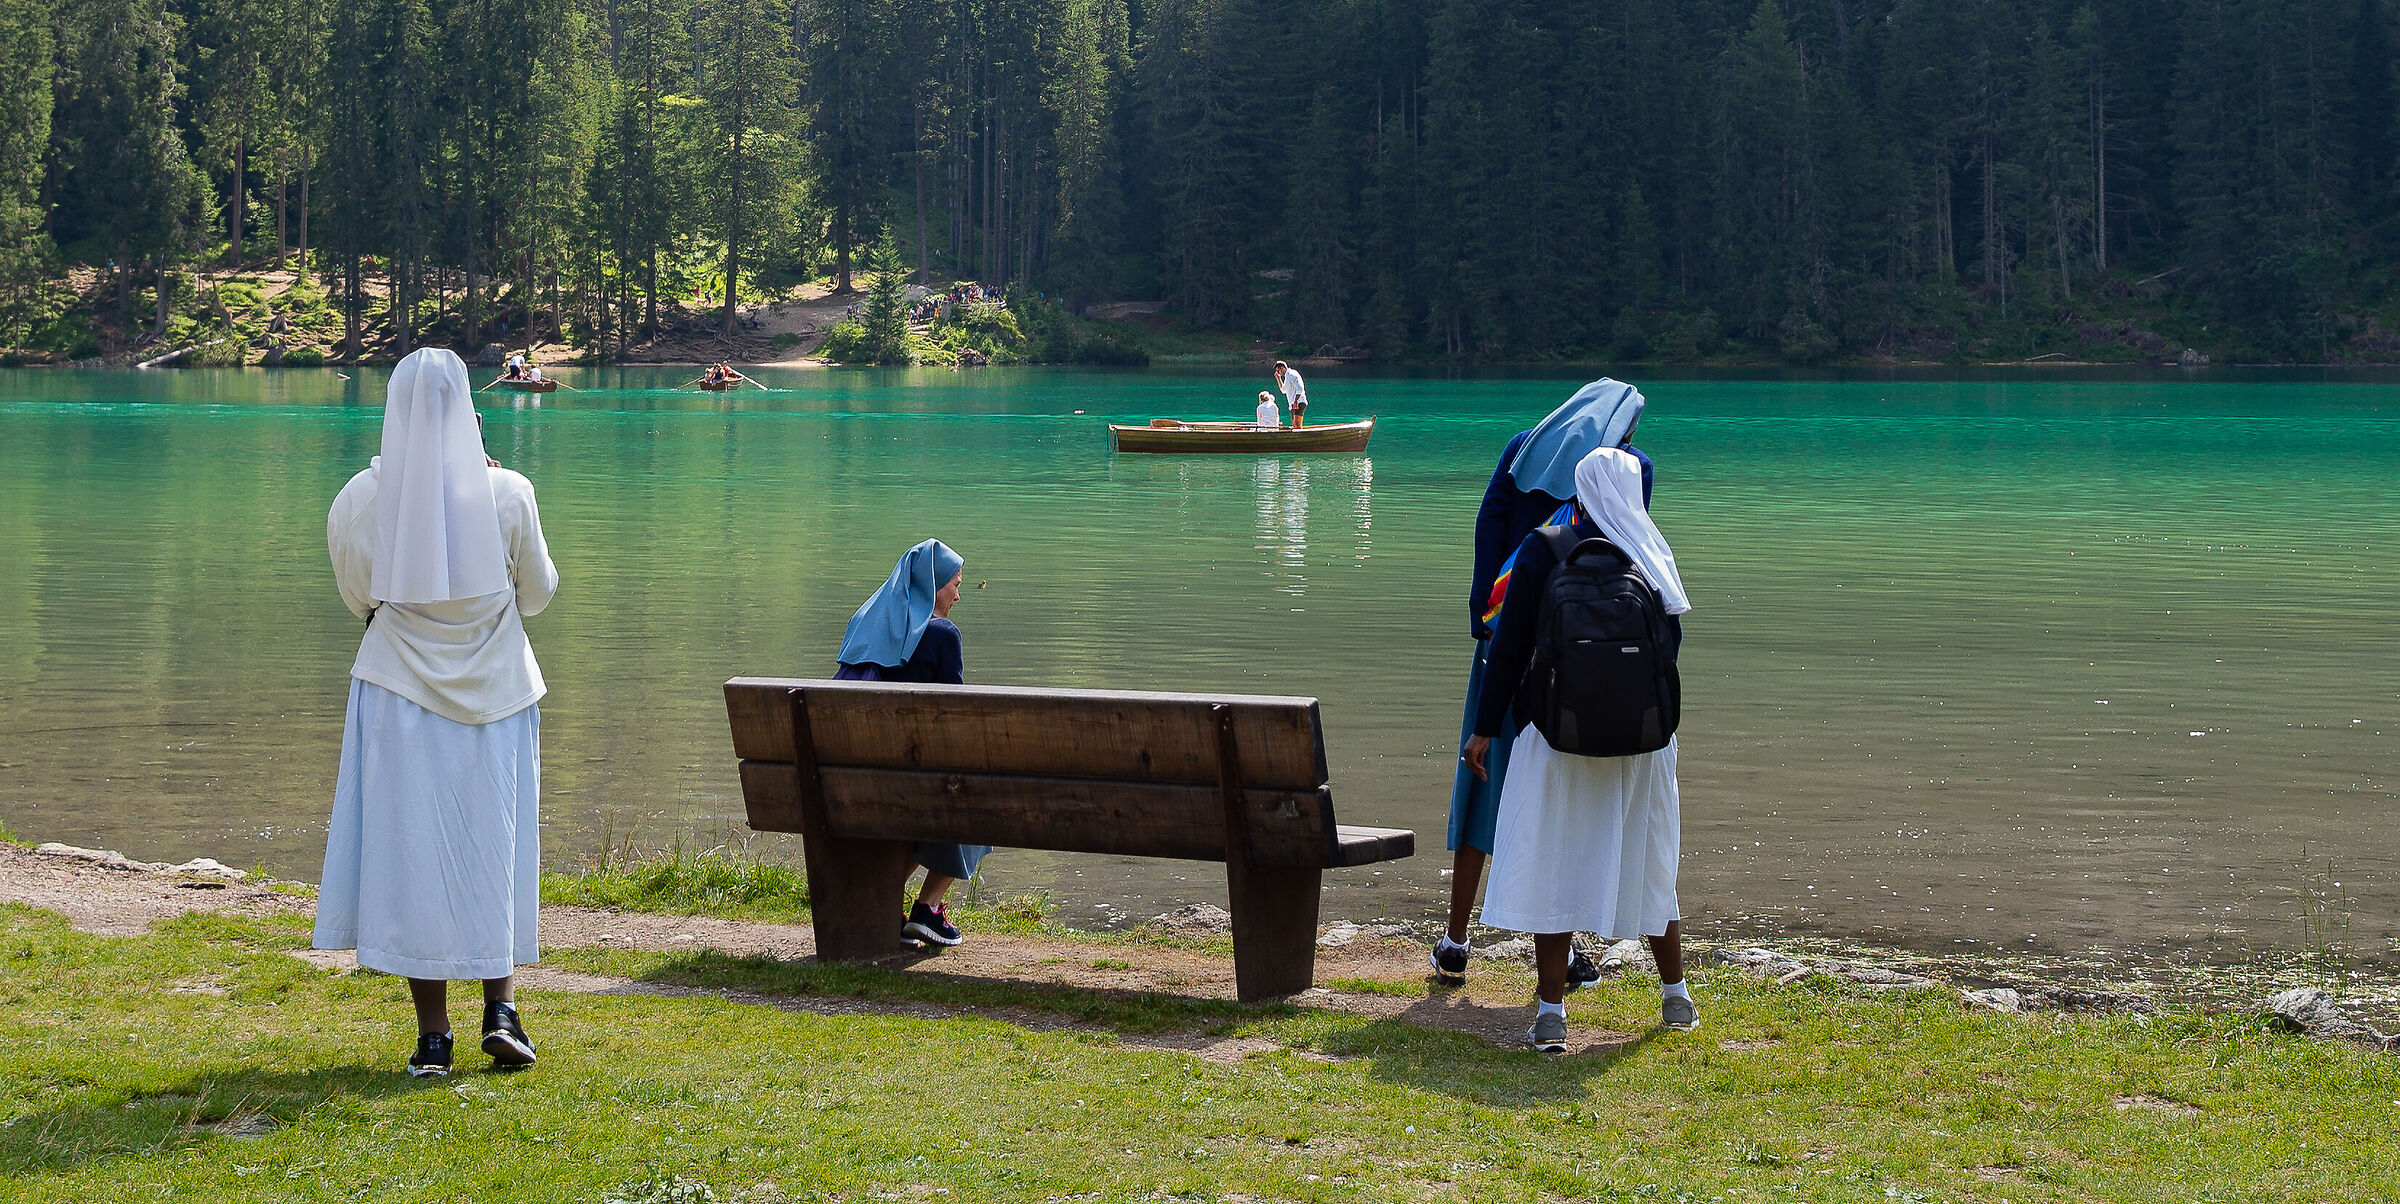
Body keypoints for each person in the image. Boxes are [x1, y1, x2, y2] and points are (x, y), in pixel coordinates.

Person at [315, 347, 560, 1078]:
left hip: (400, 695)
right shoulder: (508, 492)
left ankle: (432, 1037)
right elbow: (538, 594)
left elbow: (358, 598)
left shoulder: (361, 499)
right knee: (495, 845)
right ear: (470, 413)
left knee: (414, 855)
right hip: (496, 695)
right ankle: (502, 1011)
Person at [1464, 446, 1692, 1051]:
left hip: (1556, 737)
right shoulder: (1650, 550)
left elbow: (1510, 647)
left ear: (1581, 490)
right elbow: (1668, 652)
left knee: (1554, 864)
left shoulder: (1543, 547)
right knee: (1649, 860)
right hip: (1642, 744)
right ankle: (1675, 997)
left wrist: (1485, 728)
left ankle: (1550, 1016)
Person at [1434, 379, 1651, 988]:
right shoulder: (1628, 467)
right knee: (1558, 794)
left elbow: (1487, 528)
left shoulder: (1521, 449)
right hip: (1573, 657)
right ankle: (1565, 955)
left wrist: (1484, 619)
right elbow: (1627, 547)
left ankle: (1455, 940)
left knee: (1481, 789)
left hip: (1501, 643)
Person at [833, 539, 985, 948]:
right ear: (933, 586)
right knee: (979, 793)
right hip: (918, 785)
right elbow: (955, 717)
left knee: (923, 793)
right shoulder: (941, 635)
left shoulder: (866, 629)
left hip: (855, 783)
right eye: (955, 585)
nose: (957, 596)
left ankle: (876, 897)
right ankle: (928, 908)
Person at [1272, 361, 1307, 427]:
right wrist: (1278, 378)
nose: (1278, 373)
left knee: (1297, 424)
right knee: (1294, 425)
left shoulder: (1292, 374)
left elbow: (1300, 387)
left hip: (1299, 402)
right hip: (1292, 403)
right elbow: (1283, 390)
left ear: (1282, 368)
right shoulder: (1287, 376)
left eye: (1278, 371)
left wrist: (1296, 401)